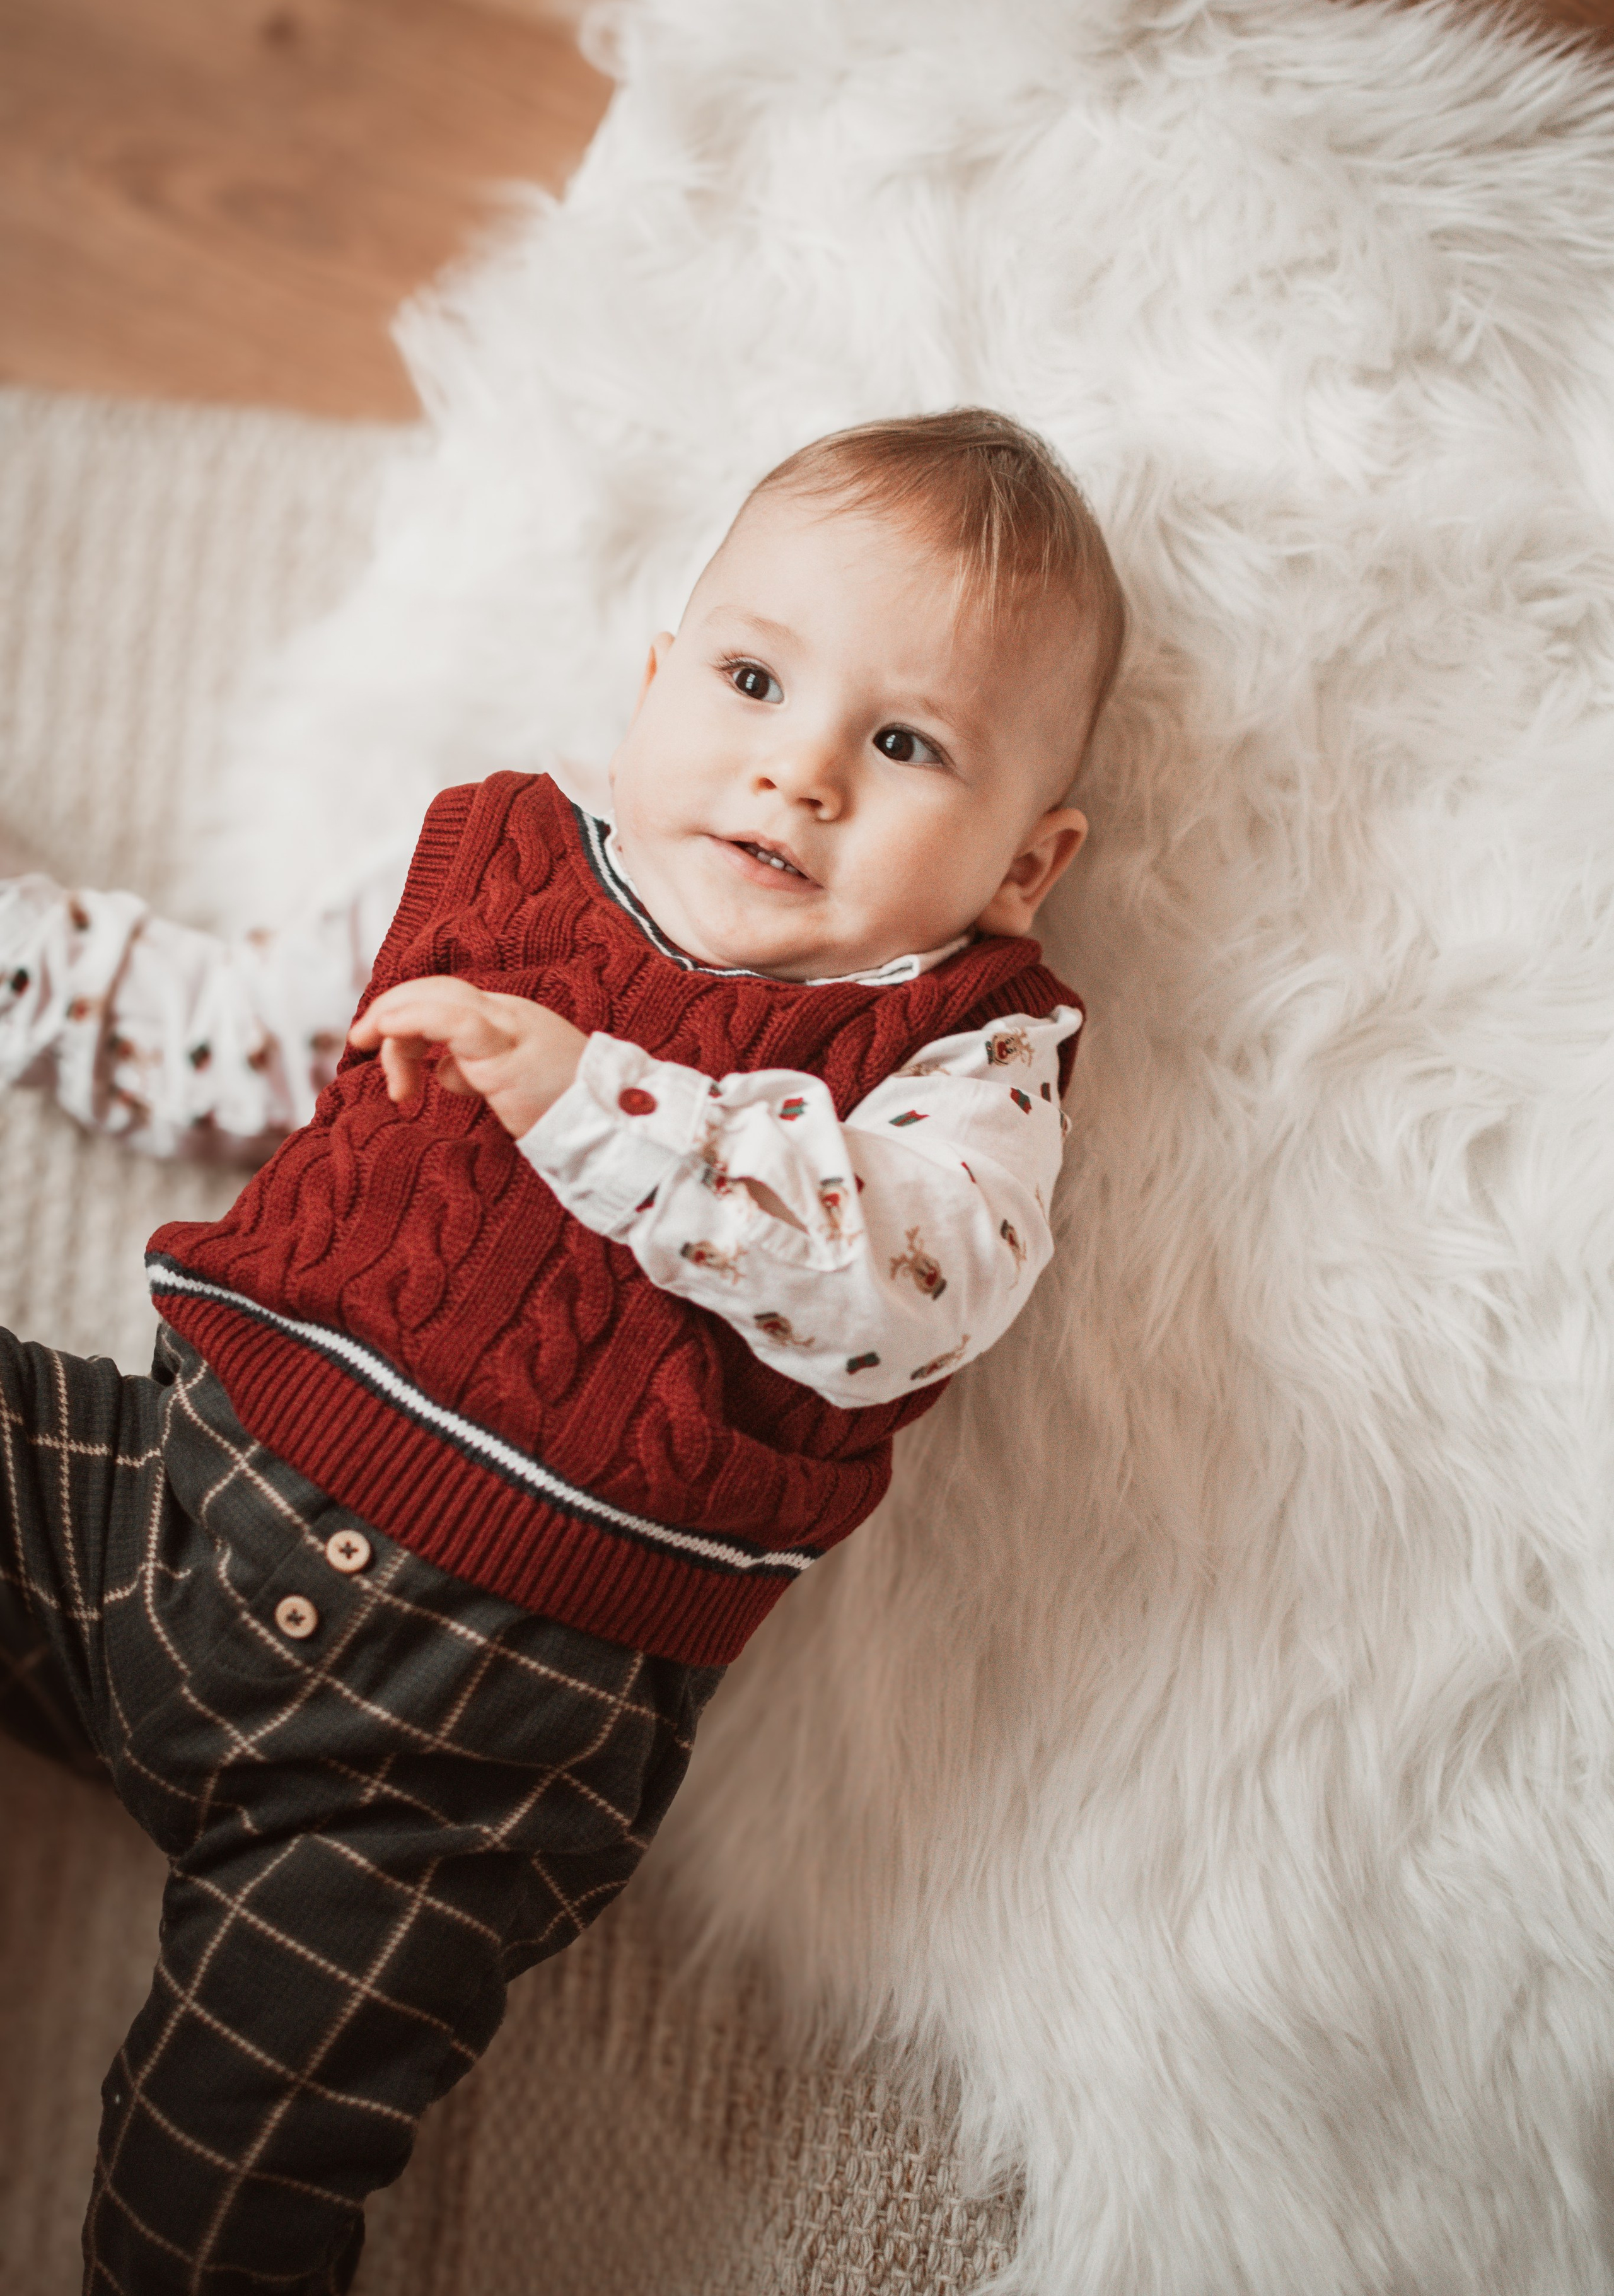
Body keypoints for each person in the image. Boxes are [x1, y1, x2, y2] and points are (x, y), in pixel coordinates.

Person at [0, 407, 1126, 2295]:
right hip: (159, 1513)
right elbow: (229, 1028)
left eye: (906, 743)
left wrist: (597, 1105)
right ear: (657, 678)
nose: (799, 773)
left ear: (1030, 859)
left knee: (210, 2196)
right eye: (759, 680)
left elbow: (900, 1293)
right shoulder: (487, 867)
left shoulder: (964, 1061)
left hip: (441, 1774)